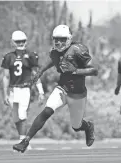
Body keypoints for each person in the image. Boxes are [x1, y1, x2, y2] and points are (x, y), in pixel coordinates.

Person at [12, 25, 98, 153]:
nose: (58, 42)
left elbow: (94, 70)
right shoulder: (55, 52)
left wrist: (75, 71)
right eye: (56, 39)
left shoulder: (78, 50)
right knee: (47, 111)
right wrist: (40, 72)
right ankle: (25, 141)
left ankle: (88, 126)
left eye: (62, 39)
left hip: (77, 94)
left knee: (76, 126)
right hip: (62, 88)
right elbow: (52, 60)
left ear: (69, 39)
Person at [1, 30, 45, 149]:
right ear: (13, 42)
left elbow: (35, 74)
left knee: (22, 115)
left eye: (23, 41)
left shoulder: (31, 55)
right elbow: (5, 76)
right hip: (13, 90)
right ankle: (21, 138)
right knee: (15, 117)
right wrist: (4, 94)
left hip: (25, 89)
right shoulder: (8, 57)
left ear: (26, 41)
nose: (21, 43)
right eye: (18, 41)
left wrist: (40, 91)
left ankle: (24, 141)